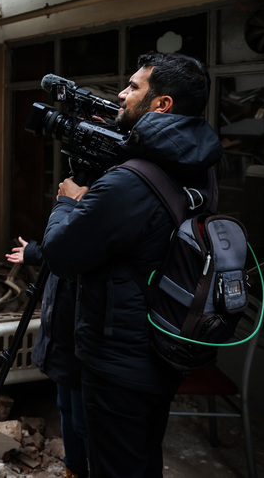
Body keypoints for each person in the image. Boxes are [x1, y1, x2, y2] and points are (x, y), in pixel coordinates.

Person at [40, 52, 222, 477]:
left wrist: (69, 204)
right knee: (141, 458)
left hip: (118, 358)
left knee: (115, 464)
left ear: (162, 105)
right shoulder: (201, 165)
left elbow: (61, 255)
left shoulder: (130, 180)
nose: (121, 94)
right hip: (164, 341)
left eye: (133, 87)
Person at [7, 237, 88, 478]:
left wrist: (39, 252)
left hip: (82, 333)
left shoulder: (97, 205)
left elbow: (76, 249)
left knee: (84, 418)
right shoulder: (71, 207)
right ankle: (73, 468)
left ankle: (88, 468)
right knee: (67, 406)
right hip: (63, 330)